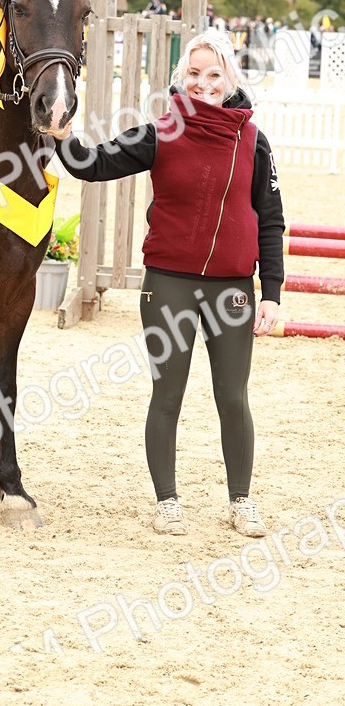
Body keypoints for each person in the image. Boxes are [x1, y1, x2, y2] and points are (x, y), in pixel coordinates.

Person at [58, 29, 285, 538]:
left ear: (229, 79)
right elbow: (91, 165)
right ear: (181, 78)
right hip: (169, 285)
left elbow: (270, 219)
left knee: (233, 398)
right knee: (168, 396)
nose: (204, 83)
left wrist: (270, 293)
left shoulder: (253, 140)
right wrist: (61, 136)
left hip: (233, 291)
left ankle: (241, 501)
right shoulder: (159, 132)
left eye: (214, 74)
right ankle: (168, 502)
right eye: (195, 74)